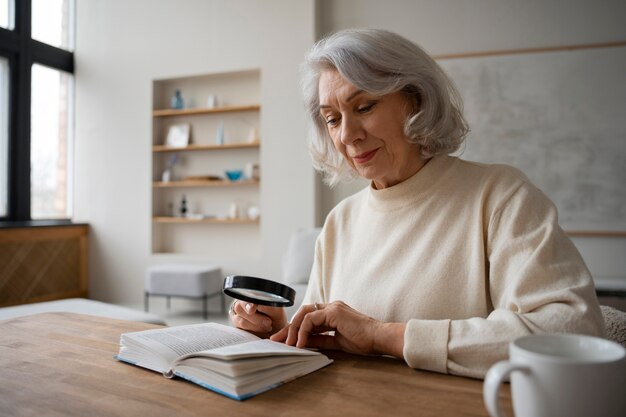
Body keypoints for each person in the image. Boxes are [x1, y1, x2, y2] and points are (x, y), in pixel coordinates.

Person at [229, 28, 604, 378]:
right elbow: (323, 340)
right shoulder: (340, 221)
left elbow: (572, 328)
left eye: (364, 107)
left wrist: (384, 336)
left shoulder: (500, 195)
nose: (347, 135)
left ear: (416, 101)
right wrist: (282, 332)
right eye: (332, 118)